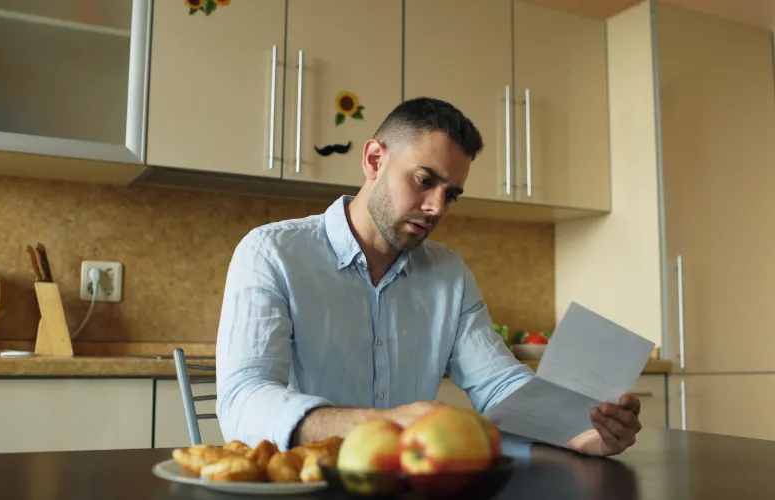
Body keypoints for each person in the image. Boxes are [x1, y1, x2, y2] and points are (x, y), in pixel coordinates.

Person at [215, 97, 642, 458]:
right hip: (306, 485)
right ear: (374, 160)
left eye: (451, 193)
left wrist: (577, 430)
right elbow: (243, 401)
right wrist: (379, 424)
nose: (438, 206)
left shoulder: (449, 275)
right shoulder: (271, 253)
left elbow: (499, 385)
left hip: (415, 485)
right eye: (425, 180)